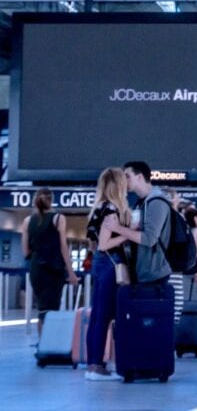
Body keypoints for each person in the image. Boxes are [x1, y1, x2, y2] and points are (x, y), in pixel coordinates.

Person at [84, 167, 131, 380]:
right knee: (103, 317)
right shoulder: (111, 209)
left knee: (96, 316)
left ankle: (92, 364)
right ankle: (97, 366)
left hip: (99, 264)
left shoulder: (97, 208)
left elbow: (95, 244)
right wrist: (128, 235)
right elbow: (104, 243)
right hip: (111, 264)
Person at [103, 161, 172, 286]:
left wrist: (118, 228)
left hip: (153, 276)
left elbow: (149, 239)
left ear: (140, 177)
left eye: (127, 176)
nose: (124, 180)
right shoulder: (141, 203)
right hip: (142, 273)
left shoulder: (156, 202)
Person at [21, 187, 79, 334]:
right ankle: (50, 344)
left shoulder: (27, 221)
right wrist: (71, 272)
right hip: (54, 269)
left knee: (42, 309)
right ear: (51, 200)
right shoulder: (58, 218)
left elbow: (25, 251)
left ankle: (42, 344)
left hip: (36, 269)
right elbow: (63, 248)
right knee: (52, 308)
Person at [183, 208, 197, 301]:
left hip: (184, 264)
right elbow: (196, 250)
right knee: (196, 294)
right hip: (193, 265)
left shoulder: (187, 230)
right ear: (195, 218)